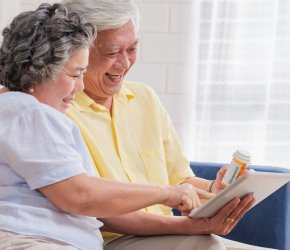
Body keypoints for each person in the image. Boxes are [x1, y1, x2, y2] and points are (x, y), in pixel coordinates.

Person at [0, 3, 211, 250]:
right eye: (74, 75)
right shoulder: (27, 114)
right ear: (42, 70)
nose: (80, 87)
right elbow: (79, 195)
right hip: (25, 238)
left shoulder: (12, 108)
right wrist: (166, 194)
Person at [62, 0, 269, 249]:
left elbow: (179, 180)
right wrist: (190, 227)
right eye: (112, 52)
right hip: (114, 240)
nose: (125, 63)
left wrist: (217, 189)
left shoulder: (144, 98)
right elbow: (95, 208)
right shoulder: (62, 112)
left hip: (169, 236)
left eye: (132, 49)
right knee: (205, 245)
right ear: (78, 52)